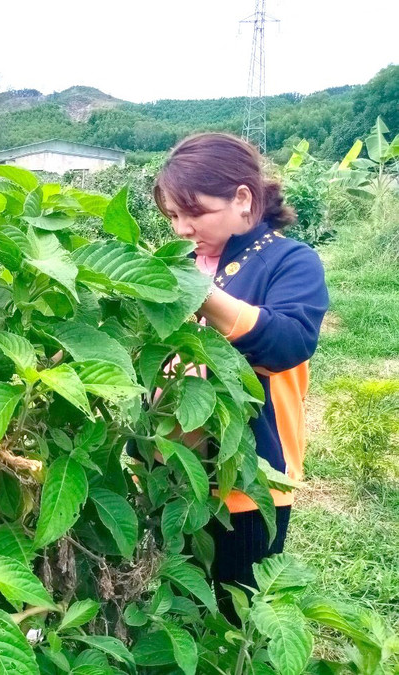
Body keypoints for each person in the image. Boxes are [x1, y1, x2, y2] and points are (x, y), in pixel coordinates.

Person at [152, 133, 329, 617]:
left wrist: (201, 293)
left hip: (249, 477)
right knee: (177, 610)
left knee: (240, 615)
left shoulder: (290, 261)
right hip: (173, 473)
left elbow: (288, 342)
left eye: (195, 213)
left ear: (243, 198)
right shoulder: (182, 263)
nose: (182, 229)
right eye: (172, 216)